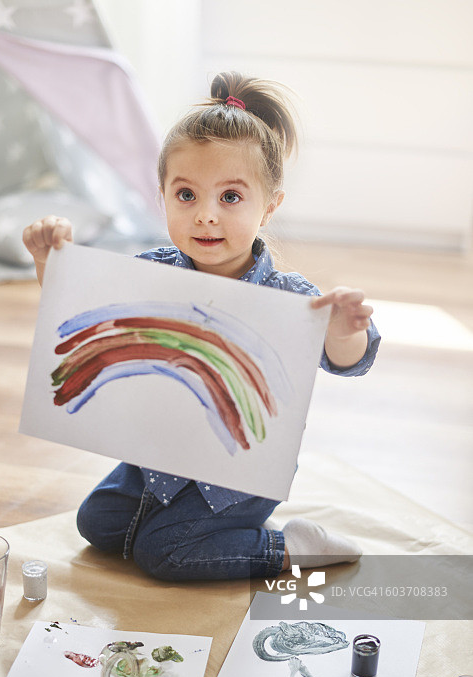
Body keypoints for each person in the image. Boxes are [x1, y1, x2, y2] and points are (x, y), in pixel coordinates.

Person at [23, 71, 380, 582]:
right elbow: (78, 305)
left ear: (269, 206)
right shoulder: (152, 271)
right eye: (186, 195)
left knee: (162, 553)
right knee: (96, 522)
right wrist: (49, 262)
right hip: (158, 457)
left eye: (230, 197)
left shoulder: (289, 296)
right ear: (162, 197)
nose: (205, 216)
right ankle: (198, 530)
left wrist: (343, 331)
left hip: (239, 473)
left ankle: (289, 546)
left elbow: (350, 361)